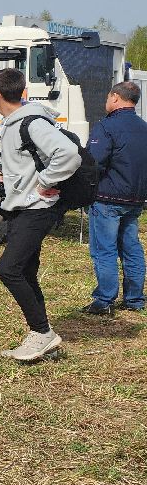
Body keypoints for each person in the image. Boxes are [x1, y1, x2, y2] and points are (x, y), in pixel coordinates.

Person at [0, 67, 81, 363]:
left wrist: (46, 181)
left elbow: (69, 154)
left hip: (35, 208)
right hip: (21, 206)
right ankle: (41, 334)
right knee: (25, 271)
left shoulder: (31, 121)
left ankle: (42, 333)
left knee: (9, 269)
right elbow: (24, 153)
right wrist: (1, 165)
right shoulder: (13, 122)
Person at [83, 80, 147, 315]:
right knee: (131, 247)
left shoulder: (106, 127)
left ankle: (104, 300)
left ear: (115, 98)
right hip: (135, 198)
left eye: (108, 97)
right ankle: (135, 299)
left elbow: (94, 161)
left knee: (104, 249)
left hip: (108, 197)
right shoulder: (144, 127)